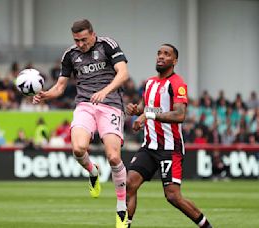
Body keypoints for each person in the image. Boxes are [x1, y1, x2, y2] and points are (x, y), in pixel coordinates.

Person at [33, 19, 129, 227]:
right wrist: (45, 95)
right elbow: (59, 87)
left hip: (110, 104)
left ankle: (121, 207)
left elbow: (123, 73)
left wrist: (104, 91)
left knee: (113, 157)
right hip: (85, 105)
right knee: (78, 149)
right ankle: (92, 170)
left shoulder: (108, 45)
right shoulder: (70, 55)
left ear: (93, 34)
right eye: (76, 40)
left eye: (84, 40)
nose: (80, 44)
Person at [125, 44, 212, 228]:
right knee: (129, 183)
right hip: (149, 146)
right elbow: (144, 106)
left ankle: (206, 226)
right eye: (159, 53)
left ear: (175, 60)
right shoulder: (149, 83)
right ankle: (125, 225)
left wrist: (147, 115)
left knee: (172, 196)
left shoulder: (177, 83)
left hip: (169, 148)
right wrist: (135, 109)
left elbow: (180, 115)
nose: (161, 57)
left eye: (166, 54)